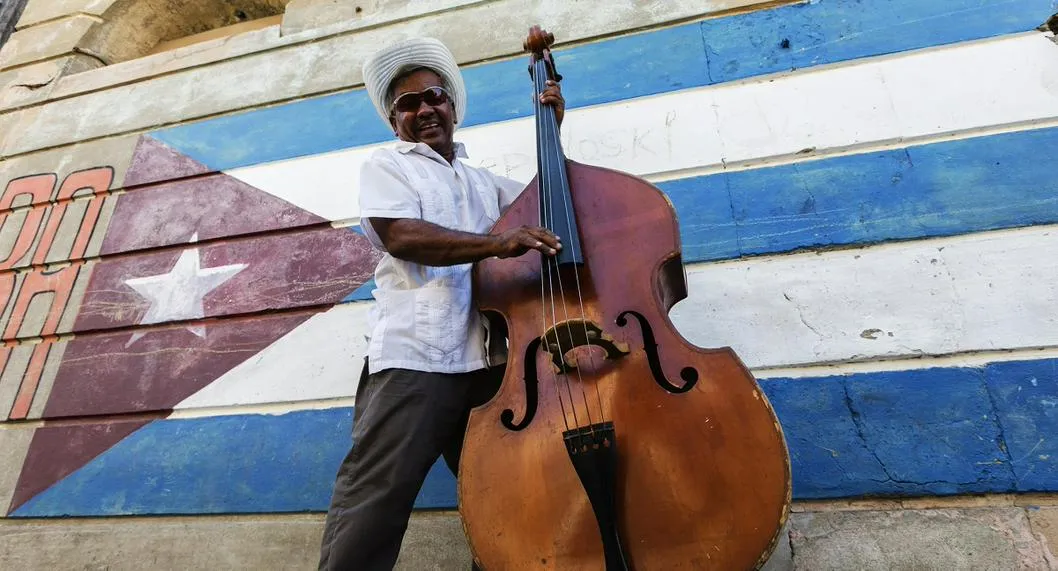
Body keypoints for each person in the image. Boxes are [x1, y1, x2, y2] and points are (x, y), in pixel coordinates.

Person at [317, 37, 565, 570]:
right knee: (377, 499)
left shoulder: (482, 180)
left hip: (487, 363)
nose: (425, 108)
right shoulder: (388, 165)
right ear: (394, 119)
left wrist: (553, 130)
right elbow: (401, 235)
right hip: (417, 359)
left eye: (435, 97)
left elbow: (547, 209)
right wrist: (498, 243)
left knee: (503, 495)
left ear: (452, 106)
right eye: (408, 103)